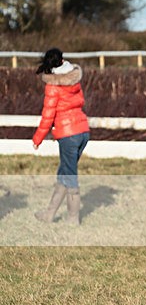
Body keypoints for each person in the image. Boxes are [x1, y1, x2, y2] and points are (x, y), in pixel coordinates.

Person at [32, 47, 90, 225]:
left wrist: (37, 139)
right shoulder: (74, 79)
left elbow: (48, 115)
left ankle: (73, 218)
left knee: (70, 175)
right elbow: (80, 102)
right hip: (83, 131)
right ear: (62, 60)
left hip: (68, 134)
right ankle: (49, 215)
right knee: (64, 172)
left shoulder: (53, 86)